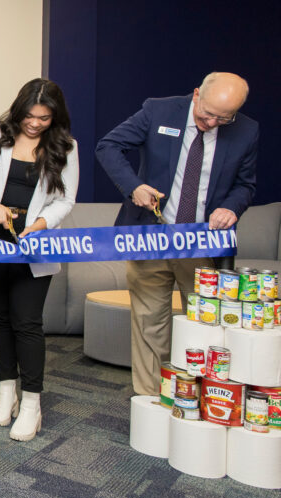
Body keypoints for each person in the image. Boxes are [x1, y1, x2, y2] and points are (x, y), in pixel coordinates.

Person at [96, 72, 257, 396]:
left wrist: (230, 208)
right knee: (149, 323)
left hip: (201, 244)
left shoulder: (246, 131)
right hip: (150, 237)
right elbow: (109, 146)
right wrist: (134, 186)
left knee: (205, 326)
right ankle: (152, 400)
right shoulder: (159, 111)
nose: (211, 123)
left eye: (223, 118)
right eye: (206, 114)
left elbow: (245, 185)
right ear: (196, 94)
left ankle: (201, 399)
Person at [0, 79, 78, 442]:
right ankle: (6, 391)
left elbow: (65, 200)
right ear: (19, 109)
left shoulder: (66, 147)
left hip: (34, 244)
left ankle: (31, 404)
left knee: (27, 322)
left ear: (54, 116)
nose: (35, 123)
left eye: (44, 117)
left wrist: (41, 224)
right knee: (1, 317)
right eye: (30, 115)